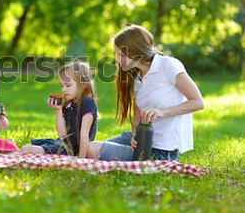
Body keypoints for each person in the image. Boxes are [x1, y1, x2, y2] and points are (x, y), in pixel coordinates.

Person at [87, 24, 204, 161]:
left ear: (137, 51)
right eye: (116, 54)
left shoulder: (168, 66)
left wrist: (162, 111)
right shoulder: (138, 77)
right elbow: (137, 115)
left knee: (92, 150)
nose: (117, 61)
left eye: (122, 55)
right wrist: (135, 135)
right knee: (87, 147)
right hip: (141, 142)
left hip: (161, 151)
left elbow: (198, 102)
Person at [21, 60, 98, 158]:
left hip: (74, 149)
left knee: (29, 150)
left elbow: (84, 135)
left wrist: (81, 160)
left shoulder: (87, 103)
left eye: (68, 85)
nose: (63, 89)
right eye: (62, 85)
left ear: (83, 84)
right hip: (63, 144)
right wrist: (58, 110)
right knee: (25, 148)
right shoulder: (68, 104)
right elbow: (63, 134)